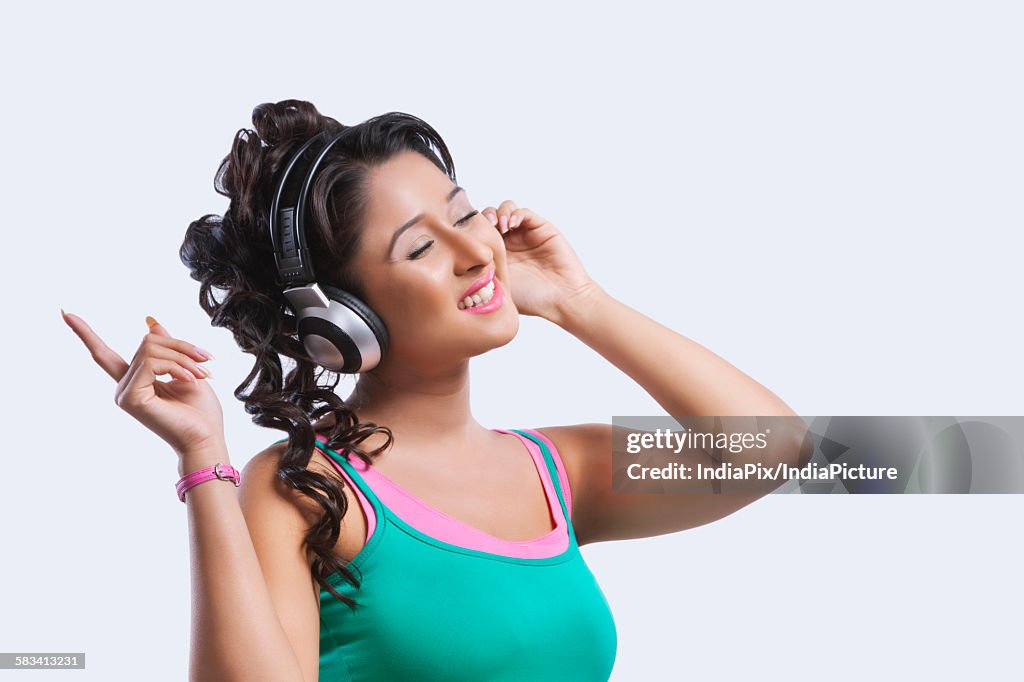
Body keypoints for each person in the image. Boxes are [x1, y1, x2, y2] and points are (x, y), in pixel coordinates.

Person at [62, 99, 802, 681]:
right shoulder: (306, 491)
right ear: (339, 318)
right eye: (419, 246)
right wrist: (202, 456)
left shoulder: (554, 472)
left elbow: (780, 453)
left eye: (463, 212)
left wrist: (581, 302)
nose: (475, 250)